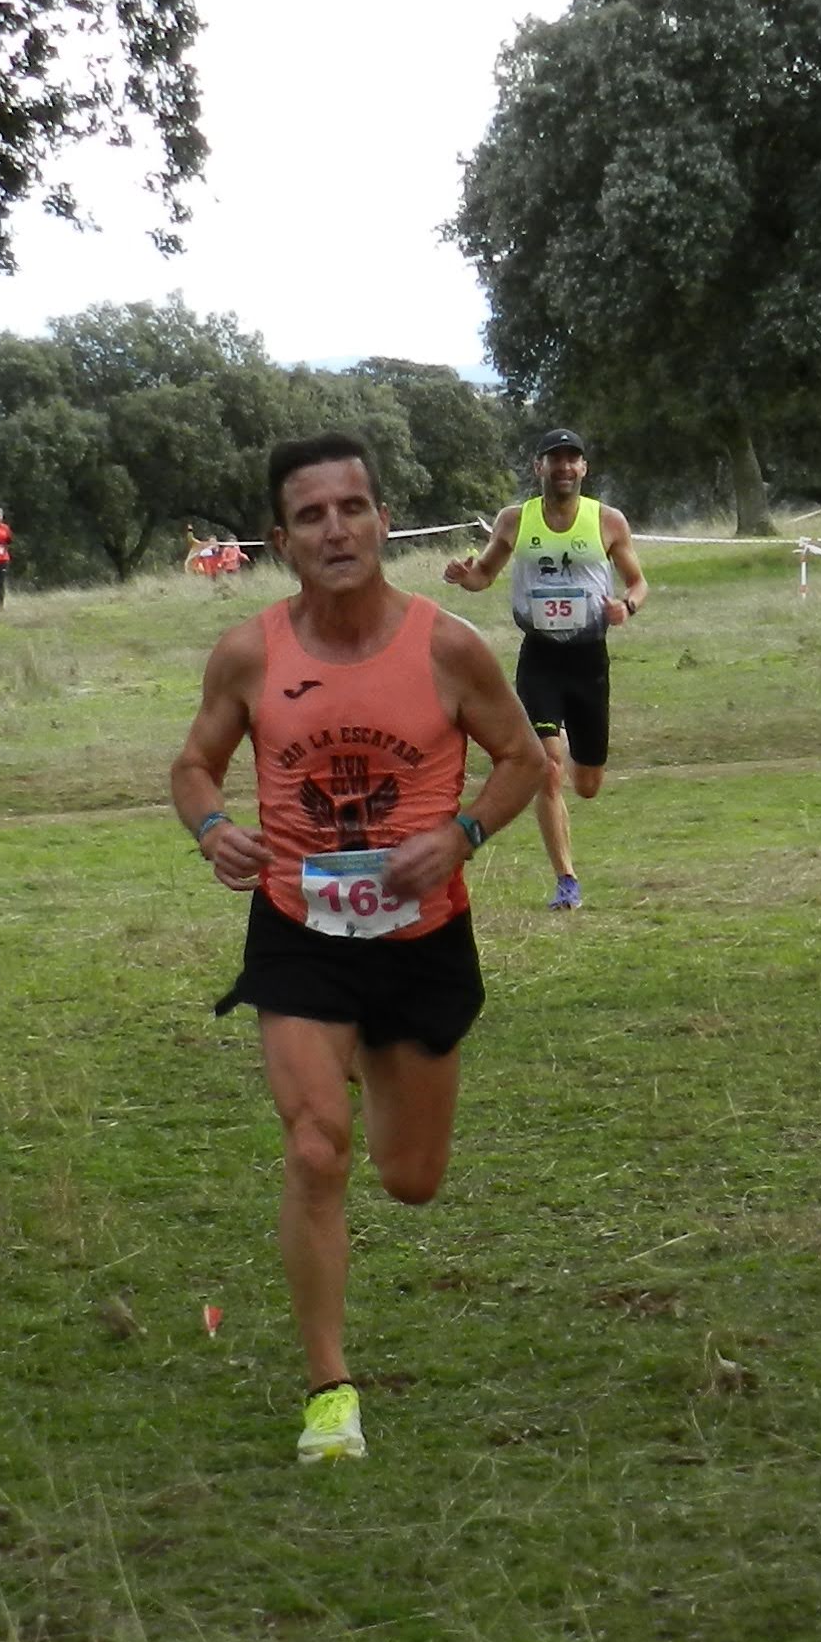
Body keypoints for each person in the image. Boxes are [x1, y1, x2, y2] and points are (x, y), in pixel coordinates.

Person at [171, 431, 549, 1467]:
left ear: (383, 519)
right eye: (310, 514)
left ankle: (384, 1067)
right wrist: (212, 830)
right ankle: (328, 1389)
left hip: (422, 938)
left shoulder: (448, 647)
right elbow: (194, 765)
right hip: (298, 933)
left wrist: (462, 834)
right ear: (277, 539)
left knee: (410, 1177)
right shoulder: (250, 653)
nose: (335, 529)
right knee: (312, 1147)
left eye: (352, 507)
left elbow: (521, 759)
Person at [441, 427, 645, 911]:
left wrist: (626, 607)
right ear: (539, 468)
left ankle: (570, 744)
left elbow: (638, 583)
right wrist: (466, 577)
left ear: (583, 469)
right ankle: (567, 880)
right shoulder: (514, 519)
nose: (564, 468)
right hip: (540, 657)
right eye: (555, 459)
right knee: (546, 768)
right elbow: (484, 575)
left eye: (573, 459)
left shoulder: (608, 521)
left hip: (589, 660)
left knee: (587, 785)